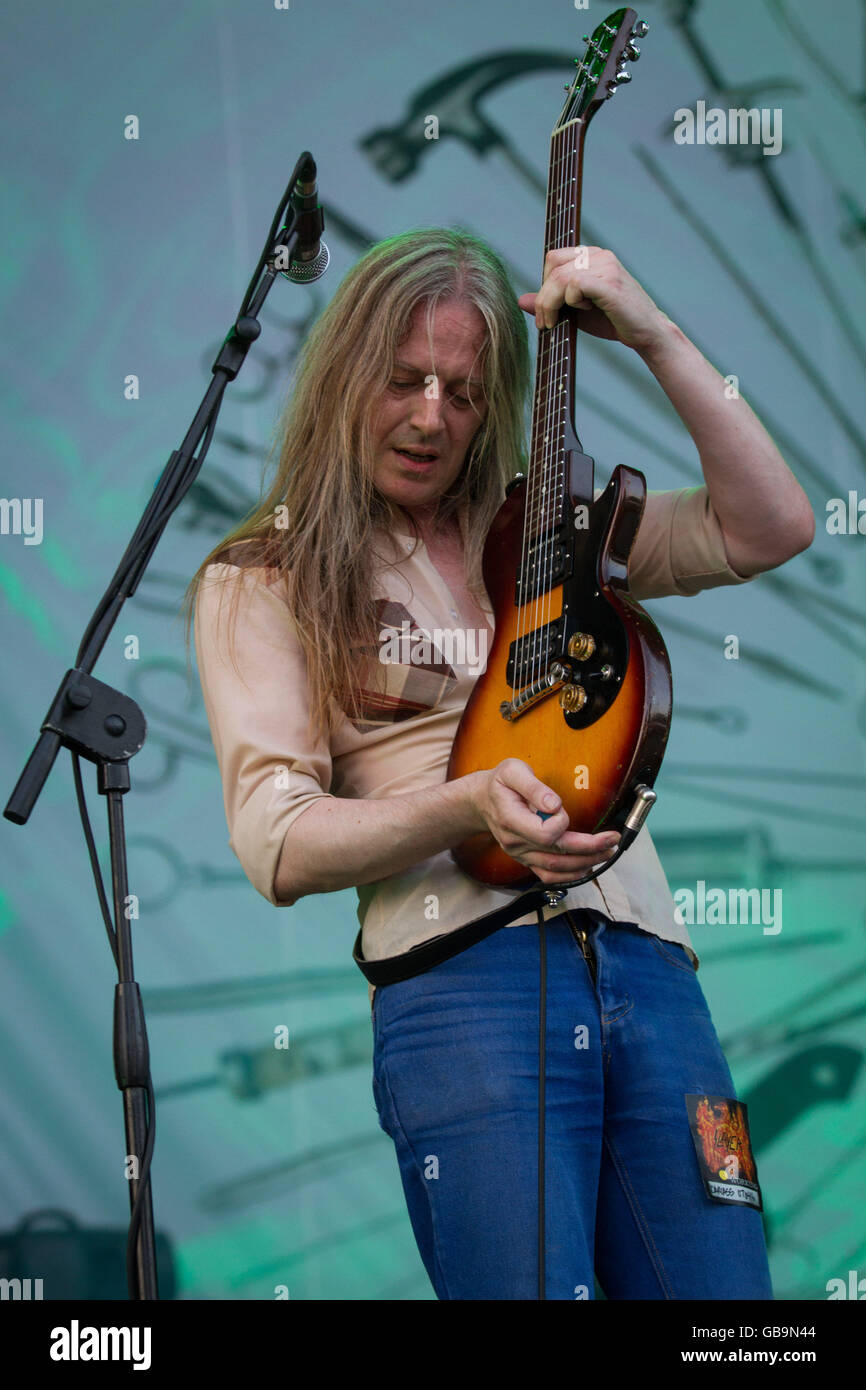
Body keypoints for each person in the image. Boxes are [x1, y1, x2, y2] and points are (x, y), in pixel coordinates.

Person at [186, 227, 814, 1300]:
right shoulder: (266, 575)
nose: (431, 416)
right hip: (464, 987)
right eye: (402, 381)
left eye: (463, 392)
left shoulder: (549, 532)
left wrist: (652, 332)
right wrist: (466, 801)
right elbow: (277, 839)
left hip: (656, 980)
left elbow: (769, 526)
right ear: (343, 376)